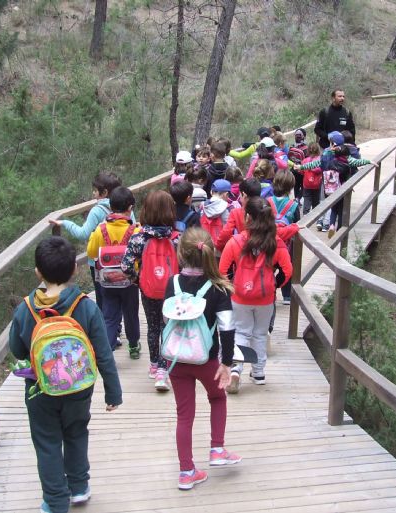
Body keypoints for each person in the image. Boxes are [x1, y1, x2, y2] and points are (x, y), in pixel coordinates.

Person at [9, 236, 122, 513]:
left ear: (38, 271)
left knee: (47, 441)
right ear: (74, 269)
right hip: (79, 387)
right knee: (76, 432)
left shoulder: (25, 308)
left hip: (40, 390)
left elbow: (16, 348)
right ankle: (79, 487)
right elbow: (103, 353)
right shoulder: (85, 306)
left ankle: (56, 500)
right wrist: (113, 391)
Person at [165, 228, 241, 491]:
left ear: (181, 255)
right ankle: (217, 449)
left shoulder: (172, 283)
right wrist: (226, 363)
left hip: (176, 360)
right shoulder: (218, 288)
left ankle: (187, 472)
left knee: (184, 416)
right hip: (206, 359)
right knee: (218, 398)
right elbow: (227, 327)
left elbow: (167, 320)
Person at [219, 197, 292, 393]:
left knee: (241, 333)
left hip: (240, 296)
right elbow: (287, 269)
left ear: (248, 217)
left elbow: (222, 269)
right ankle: (258, 373)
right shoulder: (276, 242)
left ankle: (236, 369)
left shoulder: (236, 241)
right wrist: (276, 284)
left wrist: (231, 287)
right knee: (260, 333)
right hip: (265, 297)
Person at [121, 190, 178, 391]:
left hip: (149, 291)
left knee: (153, 327)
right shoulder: (177, 239)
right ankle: (165, 366)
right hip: (172, 291)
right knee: (168, 327)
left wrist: (139, 280)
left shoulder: (139, 238)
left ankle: (155, 365)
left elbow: (126, 266)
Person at [49, 172, 122, 310]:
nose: (93, 193)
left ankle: (106, 326)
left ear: (104, 192)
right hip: (120, 258)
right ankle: (115, 324)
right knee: (117, 294)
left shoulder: (97, 210)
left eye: (95, 191)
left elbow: (83, 233)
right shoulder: (124, 206)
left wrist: (65, 223)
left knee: (102, 297)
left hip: (99, 262)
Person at [86, 186, 141, 356]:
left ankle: (108, 350)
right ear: (130, 208)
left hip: (107, 281)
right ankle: (133, 346)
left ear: (110, 206)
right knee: (131, 314)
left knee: (110, 316)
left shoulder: (100, 230)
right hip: (130, 280)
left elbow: (91, 252)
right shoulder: (135, 230)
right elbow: (140, 255)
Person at [269, 171, 300, 305]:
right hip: (286, 245)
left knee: (268, 266)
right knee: (286, 267)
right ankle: (287, 296)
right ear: (291, 187)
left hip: (268, 242)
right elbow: (297, 223)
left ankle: (269, 290)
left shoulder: (268, 201)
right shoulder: (293, 205)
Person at [200, 179, 231, 250]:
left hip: (205, 247)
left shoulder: (203, 206)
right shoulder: (228, 209)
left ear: (211, 192)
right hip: (222, 249)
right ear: (226, 194)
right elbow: (227, 231)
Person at [300, 143, 323, 217]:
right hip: (317, 184)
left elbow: (301, 171)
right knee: (316, 199)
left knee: (307, 198)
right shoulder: (320, 160)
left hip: (307, 184)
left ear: (308, 151)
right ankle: (315, 215)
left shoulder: (305, 161)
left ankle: (305, 214)